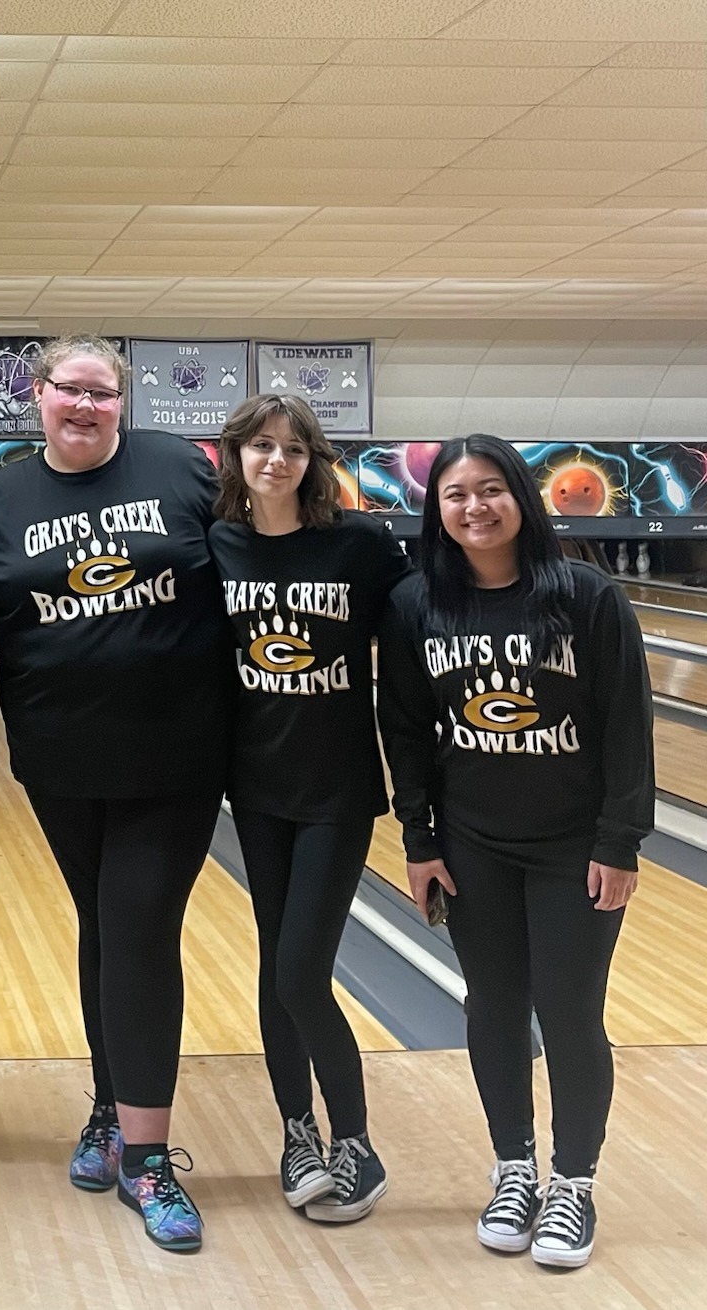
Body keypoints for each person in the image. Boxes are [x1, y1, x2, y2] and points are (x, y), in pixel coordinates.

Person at [0, 334, 234, 1252]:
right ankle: (110, 1108)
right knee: (102, 927)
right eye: (69, 390)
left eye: (102, 393)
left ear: (124, 401)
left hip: (177, 757)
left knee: (139, 927)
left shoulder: (182, 468)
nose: (85, 406)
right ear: (37, 396)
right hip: (61, 762)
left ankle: (149, 1158)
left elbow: (263, 556)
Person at [377, 434, 653, 1270]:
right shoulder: (416, 604)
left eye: (491, 490)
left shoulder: (587, 597)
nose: (474, 507)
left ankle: (573, 1181)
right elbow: (405, 731)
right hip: (471, 845)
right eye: (456, 495)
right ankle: (513, 1168)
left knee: (570, 1015)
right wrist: (419, 841)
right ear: (438, 512)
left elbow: (626, 724)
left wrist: (619, 841)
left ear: (520, 500)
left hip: (573, 848)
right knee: (493, 1008)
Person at [206, 394, 409, 1223]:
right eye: (261, 446)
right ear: (237, 457)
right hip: (255, 788)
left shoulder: (358, 545)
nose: (276, 460)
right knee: (274, 966)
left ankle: (354, 1139)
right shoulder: (216, 545)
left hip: (336, 790)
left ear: (314, 461)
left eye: (294, 448)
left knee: (299, 969)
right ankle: (298, 1132)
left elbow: (416, 637)